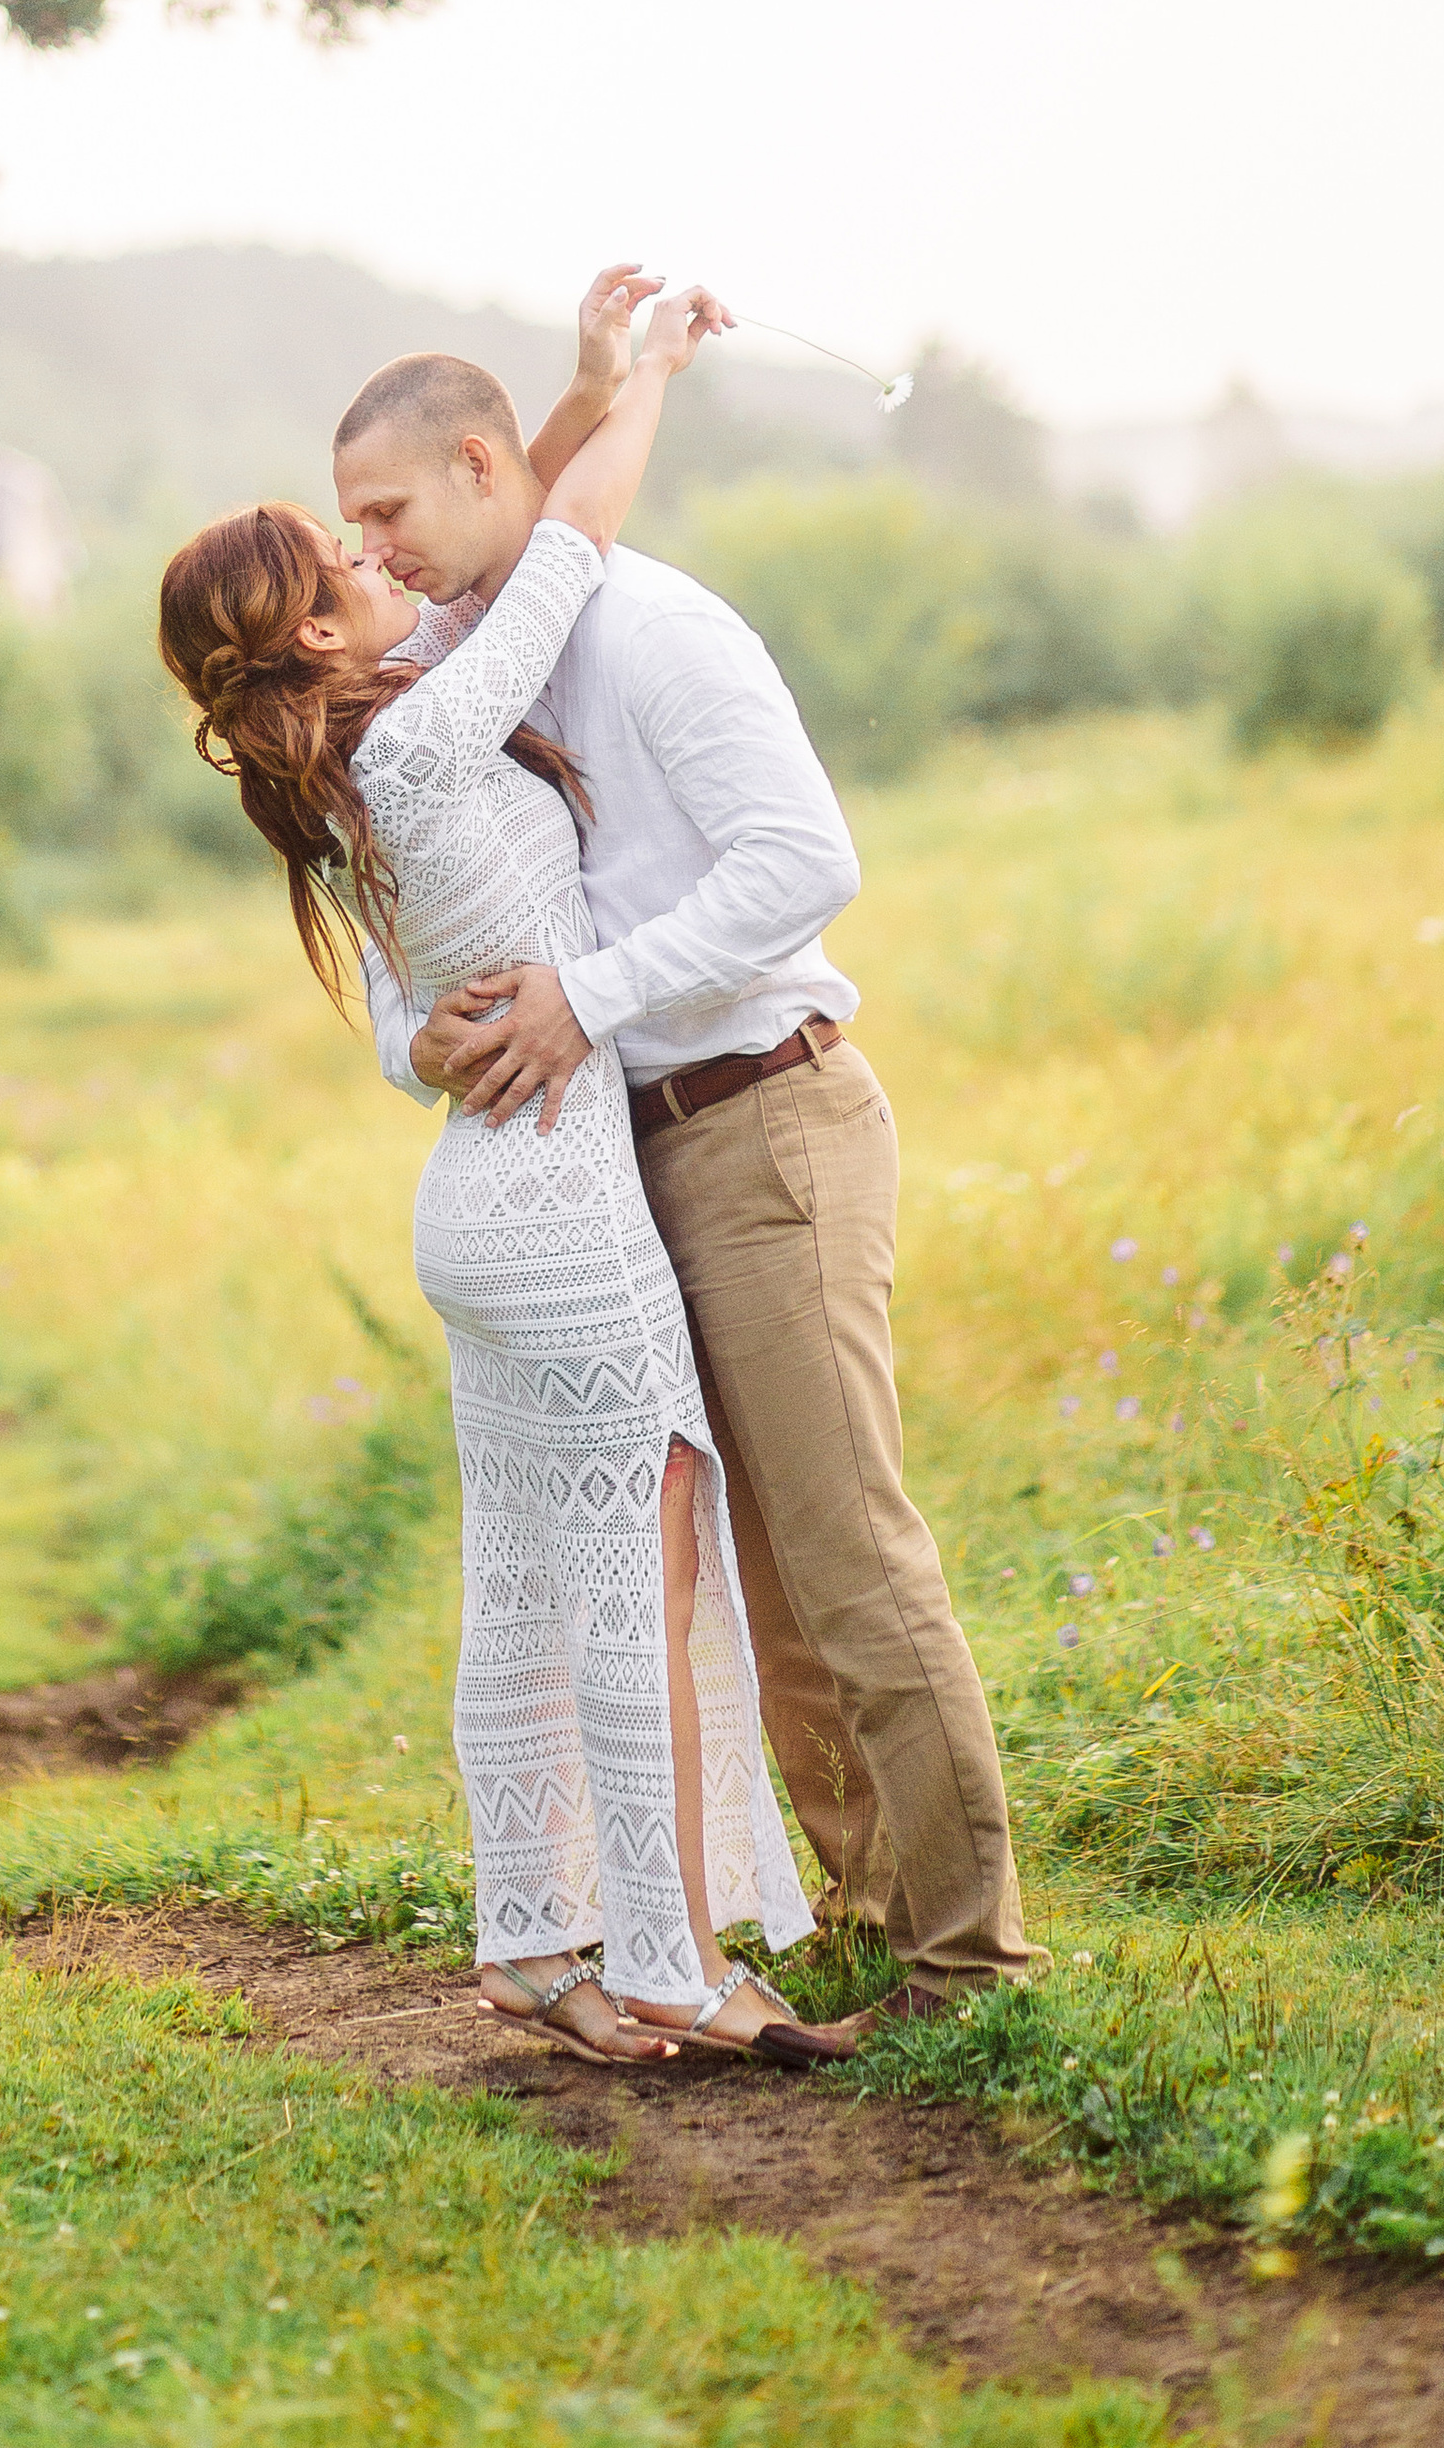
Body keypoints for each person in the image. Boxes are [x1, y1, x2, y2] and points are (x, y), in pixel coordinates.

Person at [332, 267, 1041, 2051]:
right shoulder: (472, 648)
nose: (378, 553)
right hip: (621, 1166)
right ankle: (867, 1925)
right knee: (756, 1580)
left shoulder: (657, 633)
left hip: (766, 1124)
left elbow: (803, 861)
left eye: (389, 512)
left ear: (481, 470)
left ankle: (971, 1966)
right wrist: (425, 1037)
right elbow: (397, 904)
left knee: (845, 1554)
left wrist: (588, 992)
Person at [159, 288, 838, 2070]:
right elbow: (563, 540)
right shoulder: (432, 733)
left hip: (476, 1202)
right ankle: (678, 1965)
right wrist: (651, 382)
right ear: (324, 622)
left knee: (528, 1580)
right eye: (352, 553)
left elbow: (492, 526)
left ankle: (533, 1943)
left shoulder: (349, 775)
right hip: (555, 1210)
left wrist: (591, 387)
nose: (391, 562)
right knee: (644, 1567)